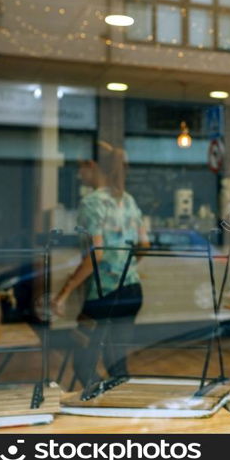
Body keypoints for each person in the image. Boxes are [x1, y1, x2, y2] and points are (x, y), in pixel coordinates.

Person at [50, 141, 150, 387]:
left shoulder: (91, 203)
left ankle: (104, 408)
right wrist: (124, 264)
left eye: (80, 168)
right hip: (132, 291)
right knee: (117, 364)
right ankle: (122, 413)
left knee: (83, 364)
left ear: (91, 165)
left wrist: (63, 294)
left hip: (104, 295)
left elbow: (97, 255)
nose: (78, 174)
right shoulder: (127, 200)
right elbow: (144, 245)